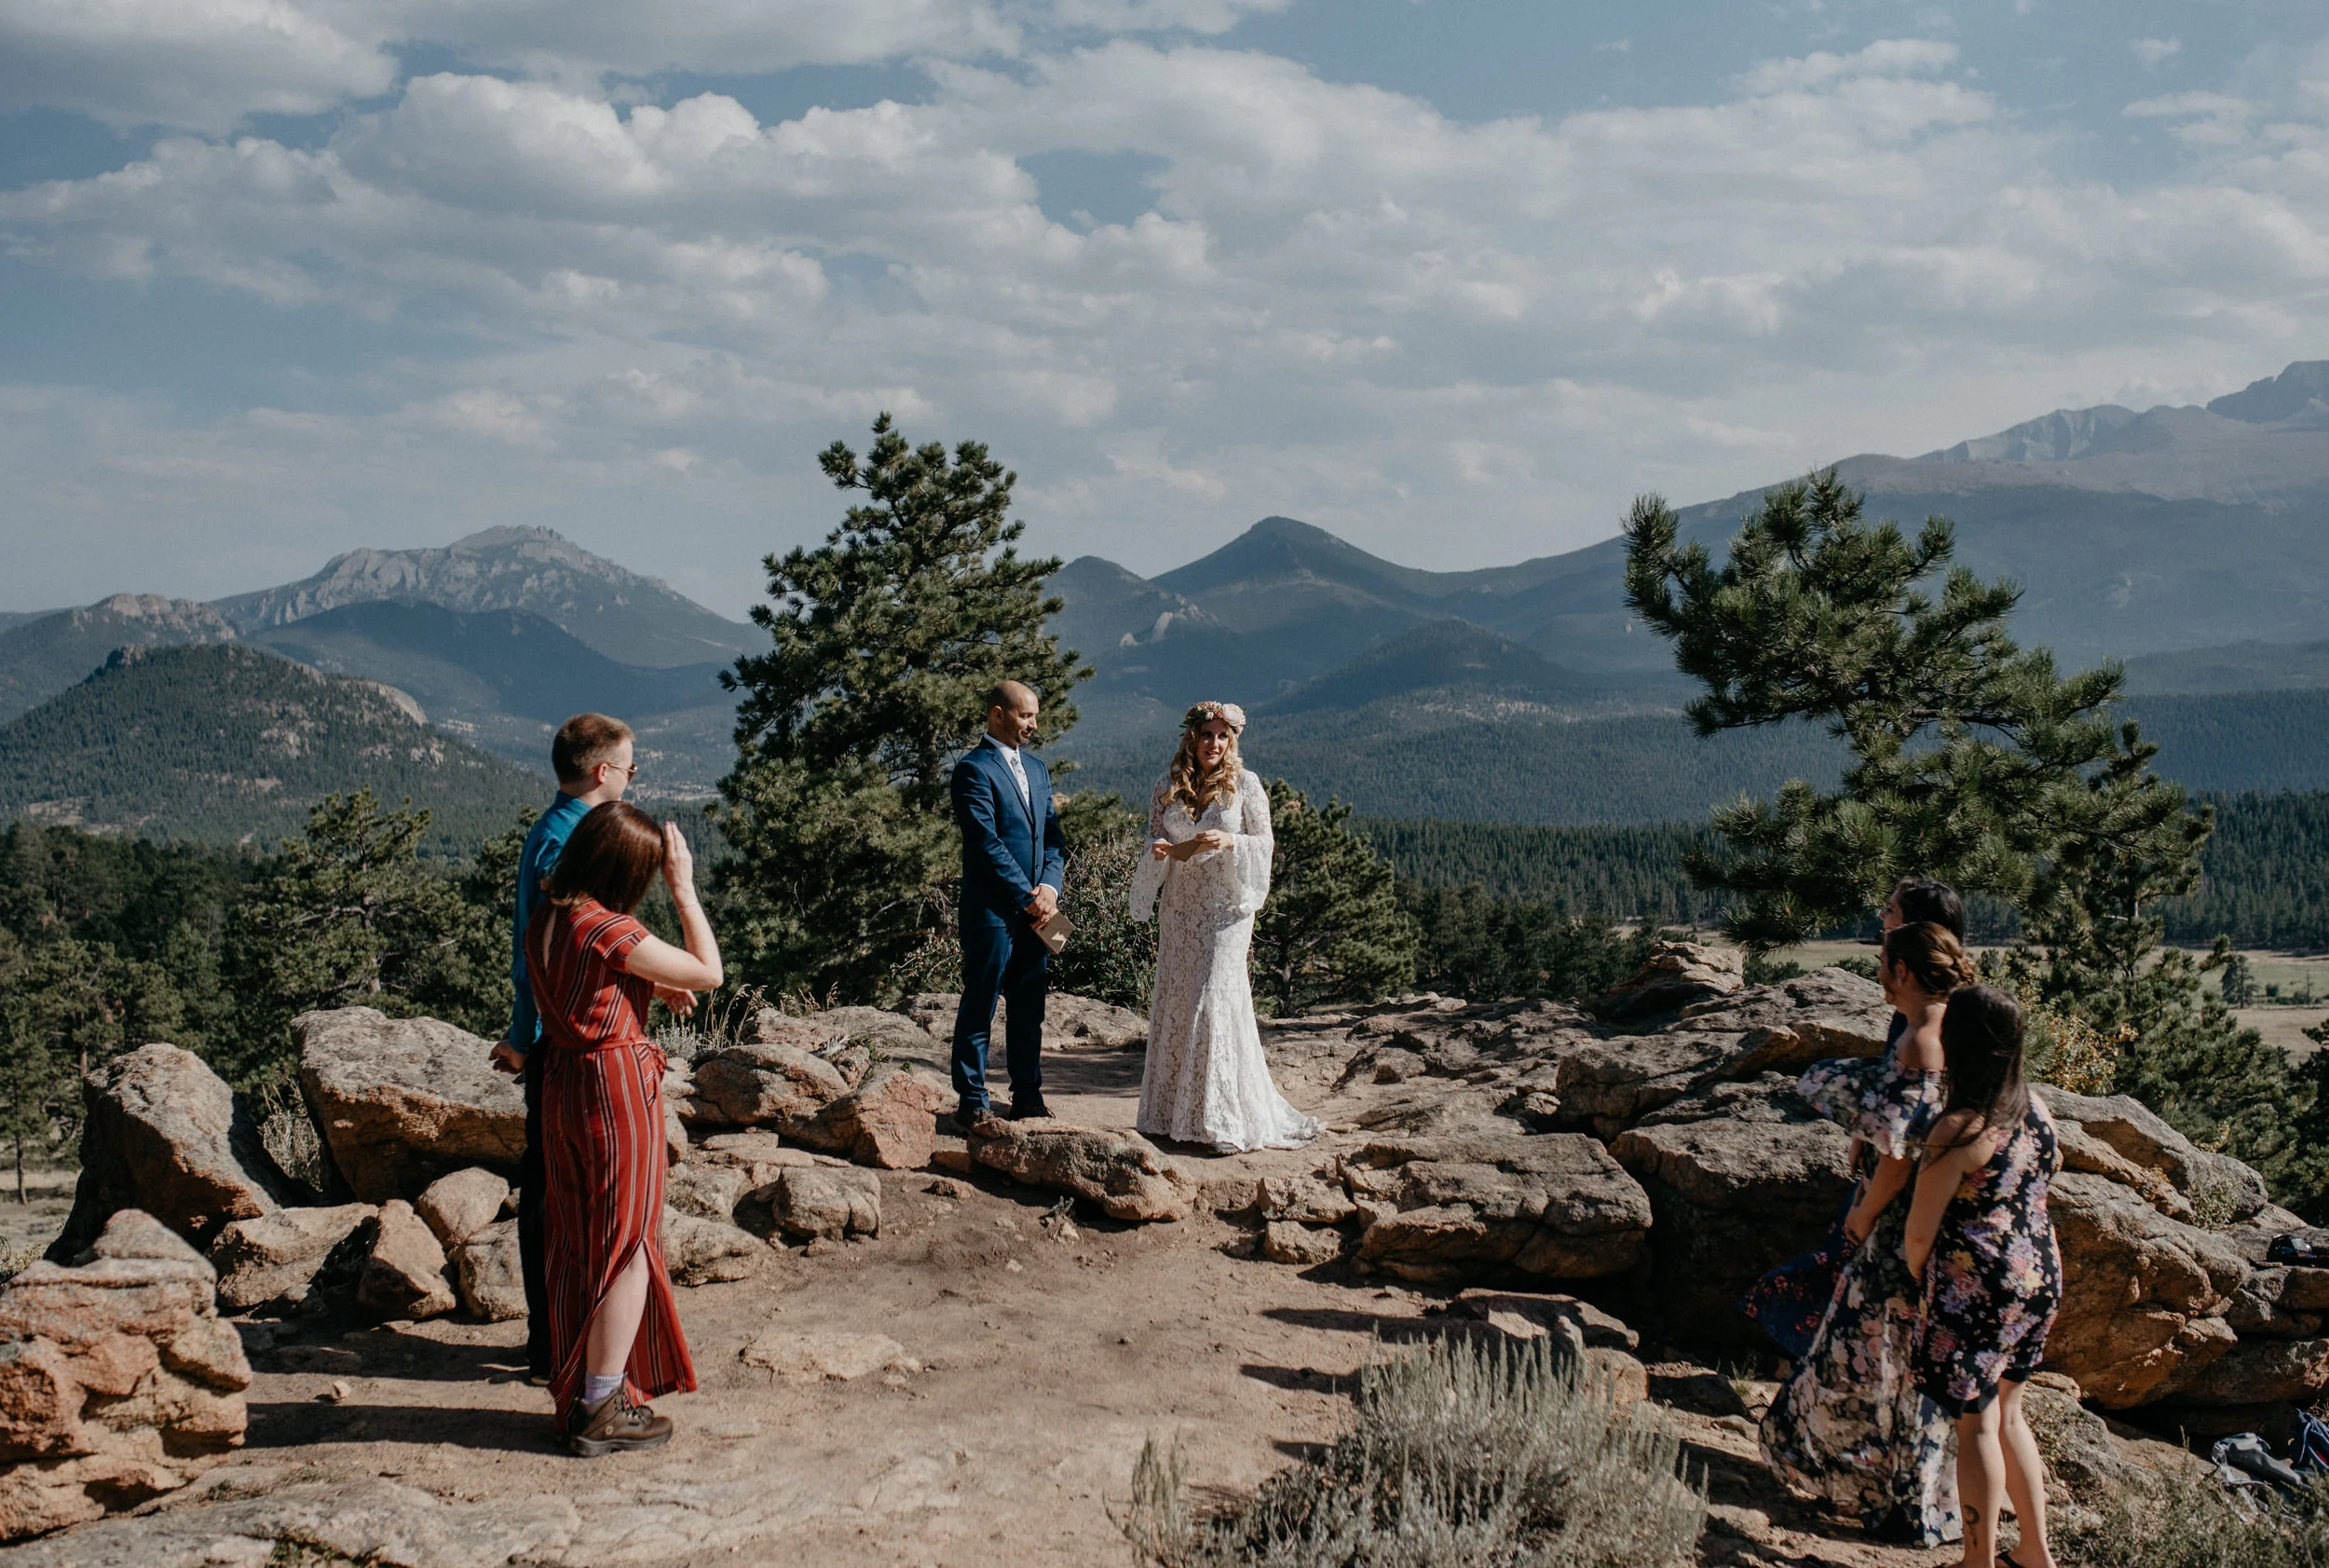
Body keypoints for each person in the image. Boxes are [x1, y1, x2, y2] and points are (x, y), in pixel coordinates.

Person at [1758, 919, 1978, 1547]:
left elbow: (1900, 1152)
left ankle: (1862, 1484)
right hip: (1948, 1227)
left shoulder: (1920, 1041)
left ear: (1902, 970)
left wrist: (1862, 1214)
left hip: (1904, 1223)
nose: (1880, 972)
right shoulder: (1963, 1026)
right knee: (1917, 1365)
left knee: (1852, 1353)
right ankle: (1920, 1503)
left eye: (1884, 962)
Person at [526, 801, 720, 1455]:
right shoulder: (607, 927)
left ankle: (586, 1387)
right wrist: (685, 890)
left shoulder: (548, 916)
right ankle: (605, 1403)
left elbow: (586, 987)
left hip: (562, 1083)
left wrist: (642, 987)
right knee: (628, 1239)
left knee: (580, 1238)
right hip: (613, 1087)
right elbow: (710, 972)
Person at [486, 713, 662, 1385]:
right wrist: (526, 1033)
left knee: (561, 1192)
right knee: (556, 1199)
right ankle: (555, 1341)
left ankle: (567, 1338)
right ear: (602, 772)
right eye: (629, 767)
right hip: (571, 1048)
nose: (631, 777)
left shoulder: (557, 831)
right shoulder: (564, 839)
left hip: (559, 1040)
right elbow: (551, 953)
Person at [1905, 986, 2063, 1568]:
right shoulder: (2036, 1110)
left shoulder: (1959, 1129)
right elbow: (2051, 1169)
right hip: (2040, 1272)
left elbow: (1919, 1233)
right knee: (2011, 1415)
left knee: (1977, 1422)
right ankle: (2035, 1554)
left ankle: (1978, 1561)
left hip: (1979, 1286)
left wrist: (1928, 1281)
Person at [1129, 702, 1319, 1153]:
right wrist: (1157, 848)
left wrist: (1230, 839)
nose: (1213, 743)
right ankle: (1168, 1114)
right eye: (1206, 735)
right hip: (1179, 907)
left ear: (1231, 741)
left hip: (1226, 909)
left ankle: (1221, 1120)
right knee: (1178, 994)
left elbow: (1265, 843)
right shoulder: (1166, 785)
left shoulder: (1246, 786)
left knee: (1214, 997)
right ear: (1190, 737)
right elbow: (1152, 834)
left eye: (1222, 736)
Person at [949, 680, 1066, 1131]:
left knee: (1029, 1006)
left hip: (1039, 907)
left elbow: (1053, 840)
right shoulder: (972, 771)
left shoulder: (1038, 770)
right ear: (997, 715)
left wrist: (1049, 891)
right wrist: (1027, 898)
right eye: (1024, 715)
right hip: (993, 911)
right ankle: (973, 1099)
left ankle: (1028, 1096)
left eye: (1035, 716)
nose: (1033, 724)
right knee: (981, 1002)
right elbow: (985, 845)